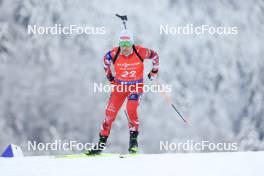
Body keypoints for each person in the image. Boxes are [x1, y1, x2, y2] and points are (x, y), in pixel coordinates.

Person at [87, 30, 159, 155]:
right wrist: (110, 78)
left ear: (132, 43)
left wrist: (154, 71)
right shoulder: (114, 53)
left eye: (127, 43)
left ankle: (133, 143)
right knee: (109, 114)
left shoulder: (140, 51)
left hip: (135, 87)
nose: (124, 47)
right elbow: (105, 62)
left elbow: (155, 56)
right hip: (120, 87)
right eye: (122, 43)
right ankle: (100, 144)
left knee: (131, 108)